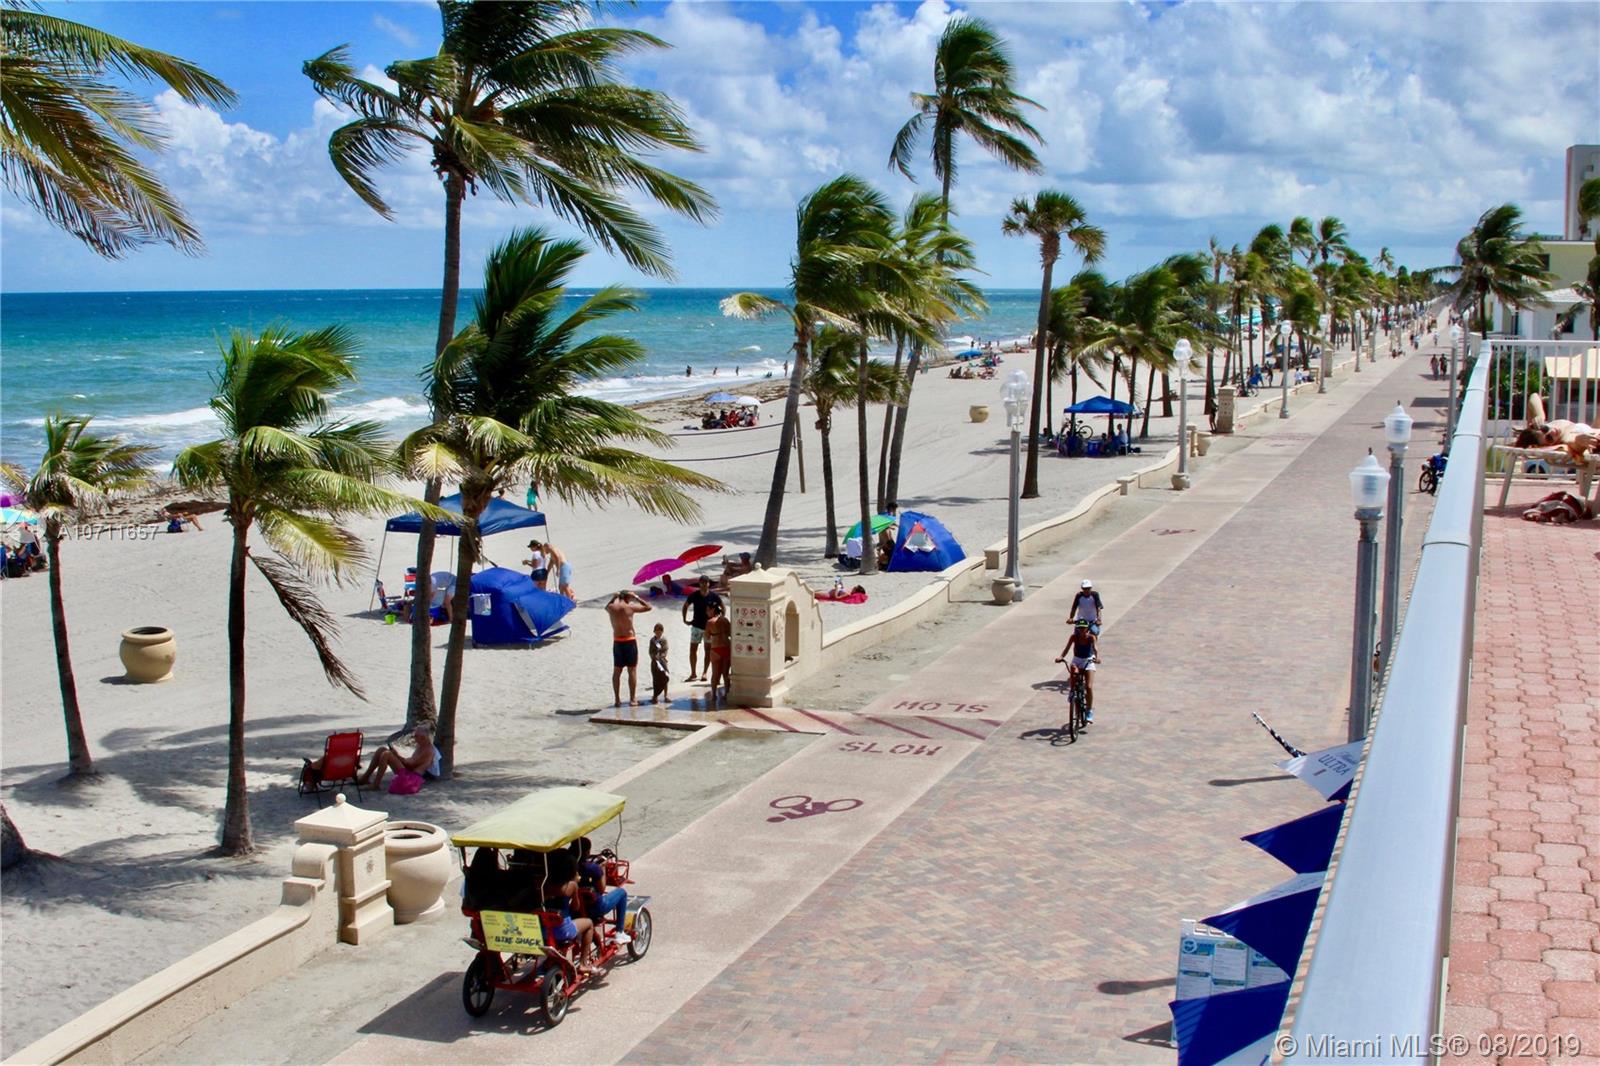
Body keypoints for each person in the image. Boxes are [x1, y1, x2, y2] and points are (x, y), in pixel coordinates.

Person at [572, 836, 630, 947]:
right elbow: (602, 888)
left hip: (578, 909)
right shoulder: (593, 868)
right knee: (622, 893)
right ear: (587, 852)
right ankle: (620, 932)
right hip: (597, 907)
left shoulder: (570, 867)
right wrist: (602, 868)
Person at [606, 590, 651, 707]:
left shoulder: (611, 607)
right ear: (628, 598)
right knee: (632, 670)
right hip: (629, 641)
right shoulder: (630, 607)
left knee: (617, 671)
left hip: (617, 642)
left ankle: (617, 700)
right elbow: (649, 607)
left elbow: (606, 607)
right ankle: (632, 699)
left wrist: (613, 598)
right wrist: (636, 597)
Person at [360, 725, 438, 790]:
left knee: (386, 754)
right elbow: (410, 762)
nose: (414, 738)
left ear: (423, 738)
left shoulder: (428, 750)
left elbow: (411, 765)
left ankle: (375, 784)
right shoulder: (421, 746)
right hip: (408, 770)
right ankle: (365, 778)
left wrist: (396, 755)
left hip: (411, 777)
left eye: (416, 736)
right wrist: (397, 756)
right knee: (381, 749)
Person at [1054, 620, 1100, 722]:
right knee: (1073, 673)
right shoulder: (1074, 637)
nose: (1081, 630)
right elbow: (1066, 649)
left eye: (1083, 628)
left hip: (1088, 660)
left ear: (1087, 628)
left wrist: (1097, 658)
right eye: (1079, 628)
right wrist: (1061, 657)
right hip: (1077, 660)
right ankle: (1072, 692)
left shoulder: (1091, 637)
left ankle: (1089, 710)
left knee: (1088, 687)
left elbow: (1095, 648)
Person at [681, 576, 722, 682]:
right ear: (699, 584)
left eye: (705, 582)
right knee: (692, 650)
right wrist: (684, 619)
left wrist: (719, 620)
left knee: (707, 650)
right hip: (696, 626)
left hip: (709, 628)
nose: (703, 584)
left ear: (709, 584)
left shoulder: (713, 596)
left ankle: (704, 672)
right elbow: (685, 606)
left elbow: (722, 607)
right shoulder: (694, 595)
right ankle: (693, 673)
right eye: (702, 582)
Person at [704, 601, 732, 699]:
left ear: (712, 610)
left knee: (715, 674)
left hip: (716, 649)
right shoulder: (725, 620)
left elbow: (707, 637)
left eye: (708, 610)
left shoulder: (709, 622)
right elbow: (730, 634)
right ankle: (727, 693)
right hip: (727, 647)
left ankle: (714, 695)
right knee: (726, 673)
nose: (706, 612)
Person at [649, 623, 670, 704]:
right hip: (654, 662)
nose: (658, 632)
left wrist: (661, 656)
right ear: (654, 631)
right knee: (655, 679)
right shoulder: (652, 640)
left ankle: (666, 695)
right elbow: (650, 651)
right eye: (656, 630)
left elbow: (665, 649)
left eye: (659, 630)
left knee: (665, 677)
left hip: (662, 661)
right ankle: (655, 696)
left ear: (662, 631)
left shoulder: (664, 640)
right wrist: (654, 657)